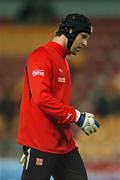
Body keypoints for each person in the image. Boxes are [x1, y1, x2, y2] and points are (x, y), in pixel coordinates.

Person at [17, 13, 100, 180]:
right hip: (39, 144)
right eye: (83, 36)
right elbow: (41, 98)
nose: (85, 43)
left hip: (64, 144)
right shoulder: (41, 56)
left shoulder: (63, 59)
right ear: (69, 31)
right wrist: (77, 116)